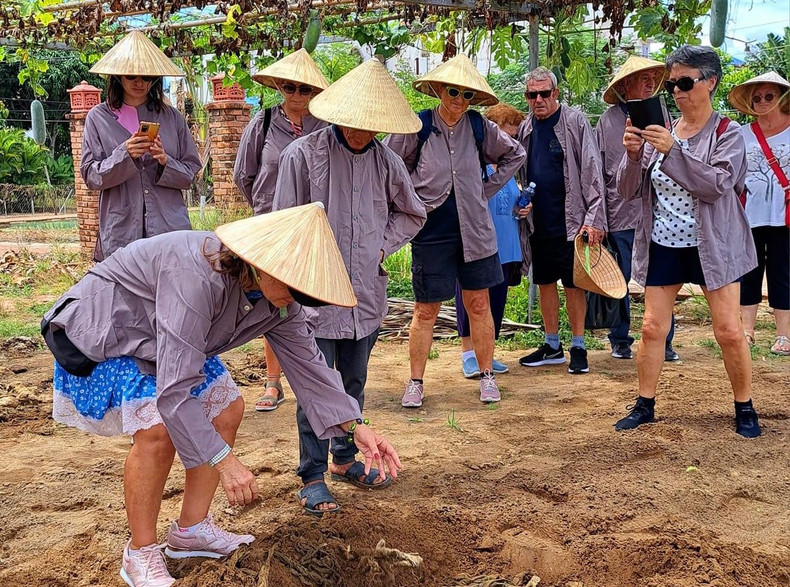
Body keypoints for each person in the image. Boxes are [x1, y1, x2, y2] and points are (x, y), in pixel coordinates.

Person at [41, 203, 402, 587]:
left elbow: (311, 369)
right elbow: (175, 390)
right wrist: (223, 460)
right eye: (294, 287)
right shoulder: (195, 277)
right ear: (262, 263)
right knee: (158, 429)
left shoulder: (279, 302)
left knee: (228, 407)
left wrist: (356, 426)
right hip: (110, 331)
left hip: (168, 338)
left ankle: (190, 531)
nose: (297, 299)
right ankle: (140, 552)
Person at [273, 59, 426, 515]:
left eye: (370, 126)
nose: (361, 132)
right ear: (338, 114)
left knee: (353, 381)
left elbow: (413, 213)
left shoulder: (387, 160)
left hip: (365, 294)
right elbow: (284, 224)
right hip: (315, 295)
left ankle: (344, 458)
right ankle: (312, 474)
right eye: (354, 123)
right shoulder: (302, 156)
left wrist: (382, 247)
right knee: (316, 385)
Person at [615, 45, 761, 437]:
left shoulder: (728, 134)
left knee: (729, 330)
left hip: (713, 245)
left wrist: (673, 152)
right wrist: (632, 155)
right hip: (664, 242)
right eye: (672, 83)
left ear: (710, 82)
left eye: (685, 81)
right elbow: (627, 191)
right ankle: (644, 404)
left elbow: (715, 186)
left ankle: (744, 406)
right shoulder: (661, 133)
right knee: (650, 328)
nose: (677, 91)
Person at [385, 54, 526, 406]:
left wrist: (487, 189)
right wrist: (410, 200)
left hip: (475, 230)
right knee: (425, 309)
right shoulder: (416, 127)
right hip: (431, 231)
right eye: (452, 92)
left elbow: (515, 154)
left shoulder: (480, 127)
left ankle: (487, 375)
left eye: (466, 95)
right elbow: (387, 164)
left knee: (479, 304)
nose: (458, 101)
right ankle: (415, 382)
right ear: (437, 90)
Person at [233, 49, 330, 412]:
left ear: (315, 92)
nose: (297, 95)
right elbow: (244, 175)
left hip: (313, 229)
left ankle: (317, 379)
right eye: (290, 87)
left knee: (314, 302)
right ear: (279, 86)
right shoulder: (262, 123)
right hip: (272, 230)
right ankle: (273, 383)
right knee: (274, 304)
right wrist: (266, 209)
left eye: (305, 89)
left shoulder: (327, 128)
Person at [515, 66, 607, 375]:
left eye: (544, 93)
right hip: (539, 222)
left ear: (555, 93)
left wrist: (593, 218)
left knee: (573, 284)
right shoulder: (526, 127)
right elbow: (520, 173)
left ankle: (578, 345)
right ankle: (552, 344)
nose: (538, 99)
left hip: (572, 221)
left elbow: (592, 170)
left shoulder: (574, 121)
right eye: (532, 94)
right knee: (544, 283)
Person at [83, 30, 201, 261]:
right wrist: (124, 154)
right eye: (131, 76)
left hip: (168, 225)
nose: (139, 82)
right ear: (118, 77)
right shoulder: (97, 118)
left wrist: (165, 161)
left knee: (170, 288)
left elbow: (190, 175)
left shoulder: (172, 118)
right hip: (122, 227)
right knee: (124, 292)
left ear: (155, 79)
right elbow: (91, 176)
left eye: (146, 77)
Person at [597, 55, 680, 362]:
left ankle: (664, 340)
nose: (648, 83)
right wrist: (599, 216)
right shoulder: (608, 121)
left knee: (659, 278)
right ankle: (619, 338)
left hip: (657, 214)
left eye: (651, 78)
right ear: (625, 85)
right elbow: (599, 171)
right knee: (620, 279)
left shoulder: (664, 117)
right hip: (620, 213)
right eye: (641, 78)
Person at [455, 102, 527, 377]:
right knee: (470, 300)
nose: (509, 143)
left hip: (506, 247)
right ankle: (468, 354)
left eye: (514, 137)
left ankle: (487, 353)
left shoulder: (510, 169)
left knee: (496, 302)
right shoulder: (476, 165)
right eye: (506, 136)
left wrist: (523, 208)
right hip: (478, 246)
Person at [728, 71, 790, 356]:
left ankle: (784, 335)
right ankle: (747, 331)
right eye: (757, 97)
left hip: (784, 216)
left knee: (783, 273)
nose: (763, 101)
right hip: (749, 215)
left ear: (781, 98)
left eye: (769, 96)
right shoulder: (741, 135)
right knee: (749, 273)